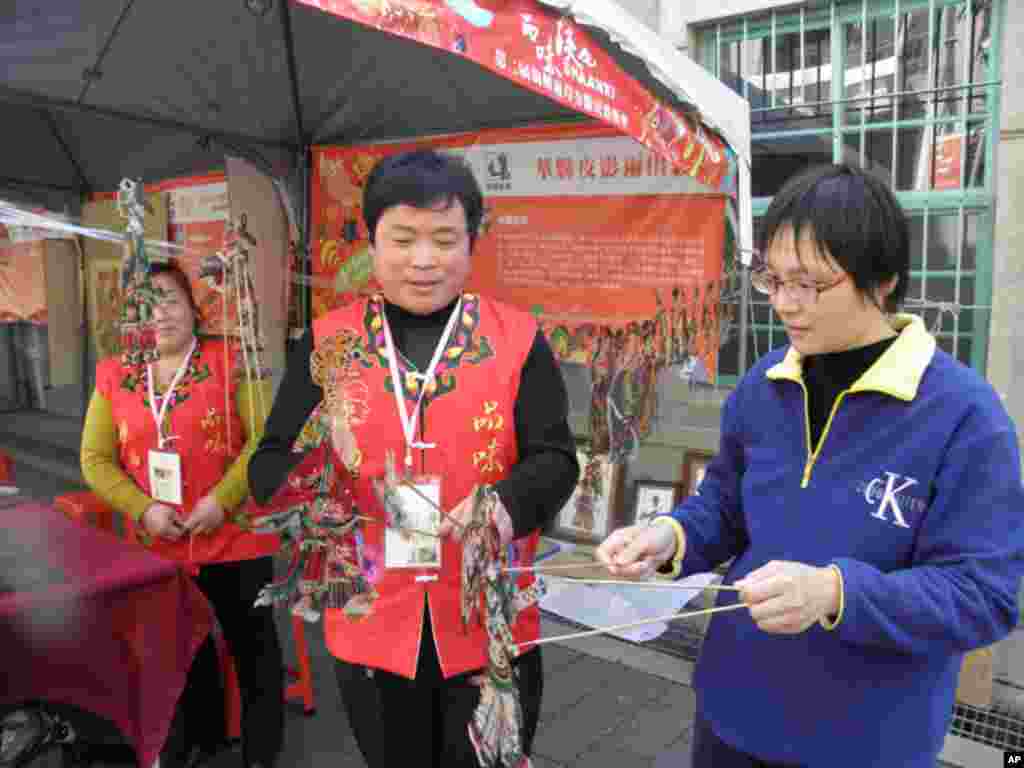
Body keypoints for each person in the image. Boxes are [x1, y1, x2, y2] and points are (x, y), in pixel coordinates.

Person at [597, 163, 1024, 767]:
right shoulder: (766, 384)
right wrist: (670, 537)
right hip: (731, 712)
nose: (785, 305)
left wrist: (834, 593)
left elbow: (984, 594)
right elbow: (725, 503)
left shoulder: (963, 416)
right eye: (773, 280)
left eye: (810, 284)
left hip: (866, 741)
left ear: (882, 280)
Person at [249, 149, 579, 767]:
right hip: (370, 623)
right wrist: (331, 491)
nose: (423, 260)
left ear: (471, 245)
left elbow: (557, 461)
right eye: (402, 239)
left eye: (444, 240)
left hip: (491, 623)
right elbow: (267, 467)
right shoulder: (327, 343)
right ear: (371, 244)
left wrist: (498, 505)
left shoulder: (519, 340)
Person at [80, 262, 283, 768]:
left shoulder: (232, 360)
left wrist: (223, 499)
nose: (160, 312)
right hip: (158, 543)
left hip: (234, 536)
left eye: (169, 298)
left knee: (254, 653)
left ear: (194, 307)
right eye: (146, 303)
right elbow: (94, 459)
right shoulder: (115, 374)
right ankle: (201, 742)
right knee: (179, 653)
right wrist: (142, 508)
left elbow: (265, 437)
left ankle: (261, 756)